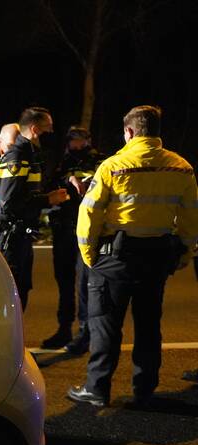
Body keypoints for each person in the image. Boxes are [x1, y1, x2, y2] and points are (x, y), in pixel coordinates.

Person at [67, 105, 198, 408]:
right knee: (149, 326)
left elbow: (89, 214)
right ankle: (145, 390)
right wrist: (185, 253)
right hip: (156, 257)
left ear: (129, 132)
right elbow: (191, 217)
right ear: (156, 131)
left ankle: (97, 389)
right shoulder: (181, 167)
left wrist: (89, 257)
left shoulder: (113, 166)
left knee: (104, 326)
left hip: (115, 258)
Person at [0, 107, 69, 310]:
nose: (51, 133)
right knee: (9, 299)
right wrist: (45, 200)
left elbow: (25, 195)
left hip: (22, 235)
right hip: (10, 238)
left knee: (21, 293)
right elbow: (9, 203)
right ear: (34, 129)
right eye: (47, 129)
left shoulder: (30, 156)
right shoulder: (17, 158)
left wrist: (47, 196)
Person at [40, 127, 104, 351]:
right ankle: (64, 329)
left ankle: (85, 332)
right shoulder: (62, 163)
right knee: (64, 281)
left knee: (86, 283)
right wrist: (69, 178)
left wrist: (85, 182)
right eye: (72, 141)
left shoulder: (100, 161)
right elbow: (48, 185)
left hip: (87, 230)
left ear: (88, 140)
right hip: (63, 229)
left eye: (80, 141)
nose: (76, 145)